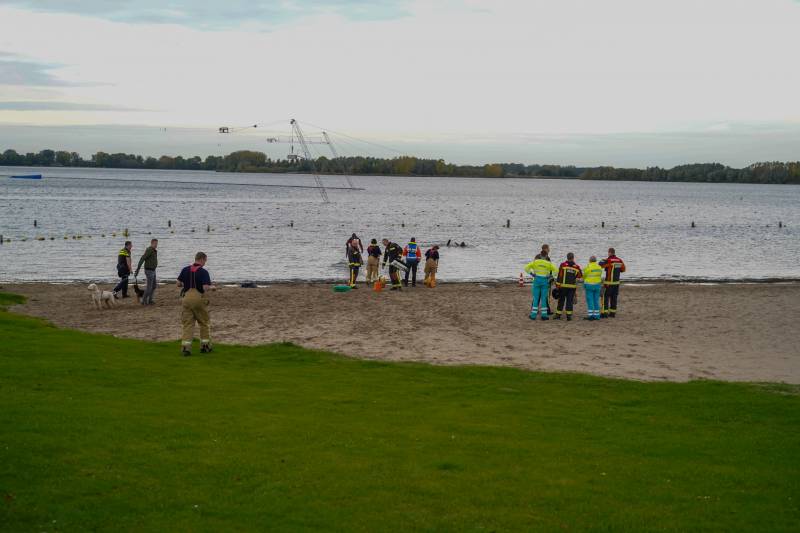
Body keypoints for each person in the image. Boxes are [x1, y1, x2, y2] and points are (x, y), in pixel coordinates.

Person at [177, 251, 215, 356]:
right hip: (198, 299)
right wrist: (212, 287)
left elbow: (178, 283)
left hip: (186, 299)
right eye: (205, 261)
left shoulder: (185, 269)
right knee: (204, 322)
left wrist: (186, 284)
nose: (205, 263)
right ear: (202, 259)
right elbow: (205, 287)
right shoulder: (203, 272)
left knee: (188, 324)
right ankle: (205, 347)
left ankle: (186, 348)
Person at [524, 253, 558, 320]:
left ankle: (533, 315)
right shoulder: (548, 263)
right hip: (545, 281)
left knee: (536, 298)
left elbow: (526, 268)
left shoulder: (535, 262)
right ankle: (544, 315)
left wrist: (531, 274)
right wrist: (551, 275)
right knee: (544, 299)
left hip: (537, 280)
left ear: (540, 255)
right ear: (546, 256)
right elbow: (556, 270)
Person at [553, 252, 582, 321]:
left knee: (561, 301)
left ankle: (558, 315)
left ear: (567, 257)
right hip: (572, 287)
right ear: (573, 258)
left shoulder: (563, 265)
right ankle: (569, 316)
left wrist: (557, 285)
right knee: (569, 301)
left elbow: (560, 276)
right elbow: (580, 275)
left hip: (563, 287)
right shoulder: (576, 267)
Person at [600, 247, 626, 318]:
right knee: (614, 298)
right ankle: (612, 313)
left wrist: (603, 260)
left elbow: (601, 265)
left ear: (609, 252)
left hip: (608, 283)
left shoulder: (609, 260)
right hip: (616, 283)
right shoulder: (620, 260)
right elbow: (623, 269)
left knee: (605, 297)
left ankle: (605, 313)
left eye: (608, 252)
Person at [134, 238, 158, 305]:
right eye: (155, 244)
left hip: (153, 270)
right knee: (149, 287)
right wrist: (138, 269)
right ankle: (143, 301)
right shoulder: (149, 249)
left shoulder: (154, 250)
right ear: (151, 243)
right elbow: (142, 258)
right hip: (149, 270)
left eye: (157, 244)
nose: (156, 245)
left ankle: (150, 300)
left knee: (154, 286)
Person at [582, 256, 603, 320]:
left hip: (589, 285)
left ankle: (591, 315)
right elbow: (600, 275)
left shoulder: (588, 267)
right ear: (595, 261)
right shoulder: (599, 267)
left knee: (590, 300)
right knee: (596, 300)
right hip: (597, 285)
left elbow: (584, 275)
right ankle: (597, 316)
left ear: (590, 260)